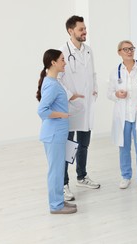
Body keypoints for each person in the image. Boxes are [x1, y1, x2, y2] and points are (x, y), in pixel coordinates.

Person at [58, 15, 100, 202]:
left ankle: (82, 176)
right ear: (70, 31)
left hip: (87, 106)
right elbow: (56, 77)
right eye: (81, 29)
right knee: (68, 146)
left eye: (85, 28)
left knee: (84, 144)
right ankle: (64, 183)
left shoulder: (88, 51)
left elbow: (92, 73)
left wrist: (95, 90)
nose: (84, 32)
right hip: (70, 106)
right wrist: (70, 95)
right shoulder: (62, 52)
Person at [107, 40, 137, 194]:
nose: (129, 51)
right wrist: (117, 94)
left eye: (131, 49)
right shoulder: (115, 72)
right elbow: (109, 93)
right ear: (119, 52)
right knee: (124, 147)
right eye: (126, 49)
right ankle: (126, 176)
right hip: (123, 116)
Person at [36, 49, 77, 214]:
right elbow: (42, 111)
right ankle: (56, 206)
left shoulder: (53, 81)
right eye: (62, 60)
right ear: (53, 62)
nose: (64, 62)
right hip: (54, 134)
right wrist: (62, 114)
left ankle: (59, 201)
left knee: (59, 169)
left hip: (58, 134)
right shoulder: (52, 84)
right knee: (55, 170)